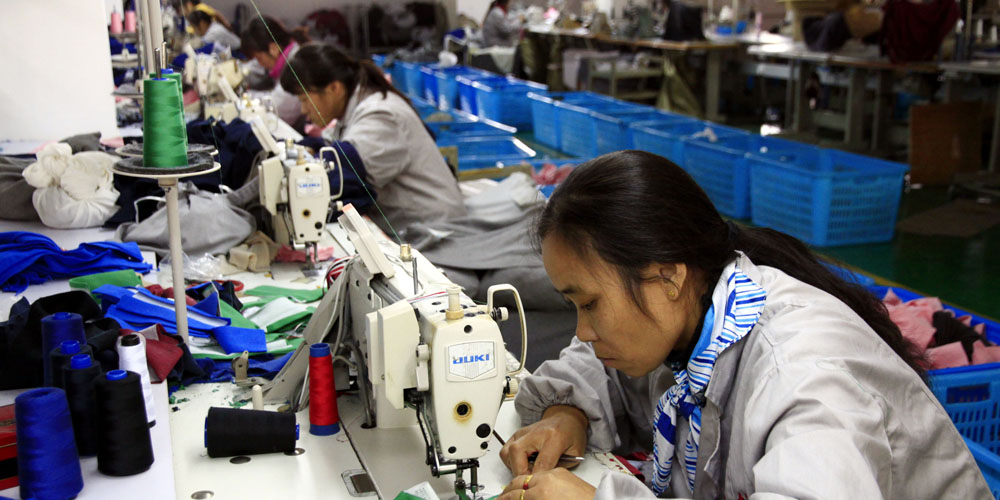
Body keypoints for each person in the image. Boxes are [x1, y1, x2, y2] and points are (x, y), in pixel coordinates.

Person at [496, 150, 991, 499]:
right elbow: (599, 369)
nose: (582, 331)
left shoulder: (805, 379)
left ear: (666, 276)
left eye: (591, 304)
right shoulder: (695, 316)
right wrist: (568, 414)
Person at [279, 43, 465, 231]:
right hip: (412, 226)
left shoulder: (381, 114)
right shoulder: (357, 107)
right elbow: (332, 146)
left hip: (436, 231)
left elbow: (342, 178)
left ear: (334, 88)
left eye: (304, 99)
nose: (303, 110)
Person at [239, 16, 307, 130]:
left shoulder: (296, 64)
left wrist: (245, 97)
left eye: (259, 58)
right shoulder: (286, 57)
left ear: (273, 49)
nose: (259, 64)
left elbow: (279, 107)